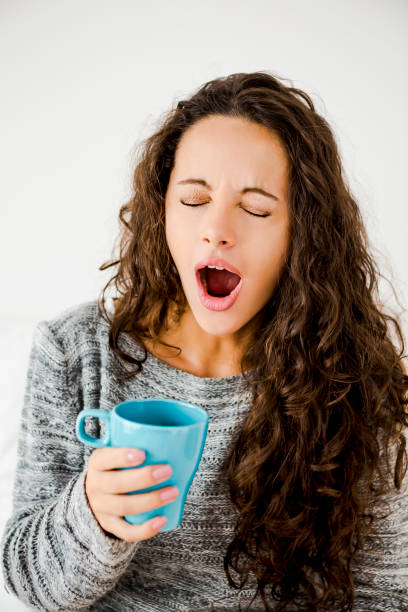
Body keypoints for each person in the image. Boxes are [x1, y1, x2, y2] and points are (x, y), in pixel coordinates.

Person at [1, 71, 407, 612]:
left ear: (301, 233)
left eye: (257, 208)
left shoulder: (347, 372)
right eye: (194, 199)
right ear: (162, 211)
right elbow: (28, 584)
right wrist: (94, 516)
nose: (216, 229)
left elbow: (388, 593)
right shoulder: (75, 351)